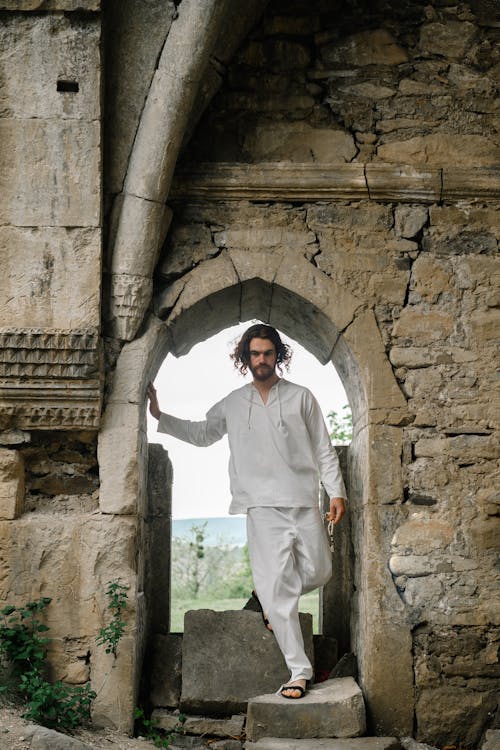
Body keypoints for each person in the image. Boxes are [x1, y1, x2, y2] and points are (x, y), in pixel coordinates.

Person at [147, 323, 347, 699]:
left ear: (278, 356)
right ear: (245, 358)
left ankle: (269, 596)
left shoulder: (302, 397)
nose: (261, 360)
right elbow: (204, 433)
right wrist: (161, 416)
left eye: (267, 353)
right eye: (254, 354)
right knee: (280, 593)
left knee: (321, 571)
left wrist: (336, 492)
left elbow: (324, 447)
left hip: (303, 499)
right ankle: (299, 672)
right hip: (260, 507)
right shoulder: (234, 402)